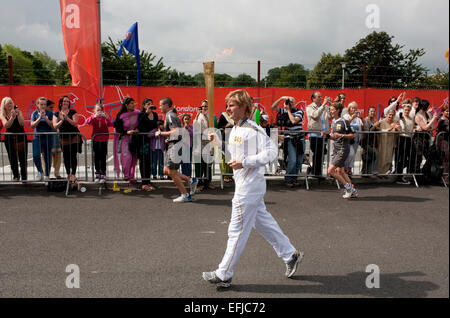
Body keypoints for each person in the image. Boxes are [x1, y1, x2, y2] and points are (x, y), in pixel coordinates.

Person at [202, 89, 303, 288]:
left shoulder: (253, 129)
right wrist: (219, 143)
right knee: (264, 223)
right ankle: (290, 254)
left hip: (249, 186)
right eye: (227, 105)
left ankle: (224, 273)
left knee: (236, 229)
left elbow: (272, 151)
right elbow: (235, 155)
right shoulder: (236, 129)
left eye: (231, 105)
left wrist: (247, 161)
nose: (227, 108)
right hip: (244, 184)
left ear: (244, 107)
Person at [159, 97, 198, 203]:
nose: (159, 107)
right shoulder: (171, 115)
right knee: (166, 171)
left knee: (172, 172)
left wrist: (161, 133)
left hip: (175, 147)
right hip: (173, 145)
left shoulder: (170, 115)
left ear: (167, 105)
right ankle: (190, 180)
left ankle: (185, 195)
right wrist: (168, 138)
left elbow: (175, 131)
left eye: (161, 105)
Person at [272, 96, 305, 187]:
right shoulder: (284, 111)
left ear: (294, 103)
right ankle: (288, 179)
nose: (290, 103)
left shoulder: (299, 111)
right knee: (293, 160)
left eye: (291, 102)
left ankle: (294, 179)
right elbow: (273, 107)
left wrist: (289, 111)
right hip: (290, 139)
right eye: (288, 102)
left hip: (300, 139)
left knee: (298, 161)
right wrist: (281, 98)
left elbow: (294, 121)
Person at [327, 103, 358, 199]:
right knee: (340, 171)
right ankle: (353, 191)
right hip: (336, 149)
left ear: (338, 110)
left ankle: (348, 188)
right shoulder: (333, 122)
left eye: (332, 110)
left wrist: (341, 135)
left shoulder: (344, 121)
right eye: (330, 110)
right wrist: (326, 135)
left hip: (343, 149)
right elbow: (334, 137)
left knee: (330, 170)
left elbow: (353, 135)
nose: (331, 111)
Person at [53, 95, 82, 183]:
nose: (66, 103)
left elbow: (75, 123)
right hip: (63, 138)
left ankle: (73, 174)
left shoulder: (73, 112)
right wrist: (61, 120)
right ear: (61, 103)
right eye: (64, 101)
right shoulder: (56, 114)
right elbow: (55, 126)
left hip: (73, 136)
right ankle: (68, 174)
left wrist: (67, 118)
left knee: (73, 155)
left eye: (67, 101)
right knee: (66, 157)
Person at [113, 97, 140, 182]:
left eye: (133, 103)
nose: (133, 105)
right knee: (126, 157)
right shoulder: (121, 116)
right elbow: (118, 128)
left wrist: (137, 130)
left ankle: (132, 176)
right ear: (126, 105)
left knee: (134, 158)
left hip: (135, 138)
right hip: (125, 138)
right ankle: (126, 175)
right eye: (131, 103)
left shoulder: (138, 113)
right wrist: (126, 132)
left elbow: (141, 124)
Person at [0, 97, 27, 182]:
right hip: (9, 138)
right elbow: (6, 125)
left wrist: (18, 115)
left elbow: (22, 123)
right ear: (4, 105)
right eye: (7, 103)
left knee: (22, 157)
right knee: (12, 158)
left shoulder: (18, 112)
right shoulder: (2, 114)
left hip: (20, 137)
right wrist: (12, 117)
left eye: (11, 103)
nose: (10, 105)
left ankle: (24, 177)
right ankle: (16, 175)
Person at [86, 103, 114, 183]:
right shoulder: (93, 117)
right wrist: (94, 116)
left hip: (104, 139)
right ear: (95, 111)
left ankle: (103, 173)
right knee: (96, 156)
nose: (99, 112)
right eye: (97, 110)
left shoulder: (104, 118)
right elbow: (87, 122)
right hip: (95, 139)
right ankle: (97, 172)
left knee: (103, 156)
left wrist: (107, 118)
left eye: (100, 110)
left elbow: (111, 124)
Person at [135, 98, 158, 191]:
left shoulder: (155, 114)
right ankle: (144, 183)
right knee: (143, 162)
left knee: (149, 162)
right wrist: (146, 113)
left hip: (152, 141)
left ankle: (148, 181)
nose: (150, 105)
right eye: (148, 104)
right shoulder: (141, 114)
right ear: (144, 106)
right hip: (142, 142)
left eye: (151, 104)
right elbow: (138, 125)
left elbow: (156, 125)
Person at [306, 91, 331, 176]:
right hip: (314, 134)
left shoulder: (325, 107)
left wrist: (331, 105)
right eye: (319, 97)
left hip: (324, 134)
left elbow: (331, 116)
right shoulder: (310, 107)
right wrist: (323, 105)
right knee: (317, 152)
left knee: (322, 153)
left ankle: (316, 171)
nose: (321, 98)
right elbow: (315, 115)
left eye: (321, 97)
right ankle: (315, 172)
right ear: (313, 98)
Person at [30, 96, 54, 183]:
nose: (43, 106)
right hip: (38, 137)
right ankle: (40, 171)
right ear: (38, 105)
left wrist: (46, 118)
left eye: (45, 104)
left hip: (48, 137)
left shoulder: (50, 113)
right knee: (36, 155)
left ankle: (47, 175)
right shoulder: (35, 113)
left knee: (47, 156)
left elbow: (52, 125)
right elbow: (32, 125)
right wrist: (40, 118)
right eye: (41, 104)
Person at [193, 100, 215, 191]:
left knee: (208, 163)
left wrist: (206, 117)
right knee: (199, 163)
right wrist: (197, 115)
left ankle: (207, 182)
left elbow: (211, 128)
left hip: (208, 140)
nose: (204, 108)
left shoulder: (211, 116)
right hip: (199, 141)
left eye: (206, 106)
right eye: (202, 106)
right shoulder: (198, 116)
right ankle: (199, 183)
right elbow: (195, 127)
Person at [412, 99, 438, 173]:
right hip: (418, 138)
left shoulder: (427, 114)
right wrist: (432, 119)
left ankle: (424, 172)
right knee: (418, 157)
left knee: (429, 157)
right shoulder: (417, 116)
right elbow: (425, 127)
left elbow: (431, 127)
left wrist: (429, 124)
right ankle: (416, 174)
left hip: (426, 138)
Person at [395, 103, 415, 184]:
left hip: (409, 139)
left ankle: (405, 175)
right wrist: (402, 121)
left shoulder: (411, 118)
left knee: (409, 158)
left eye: (408, 110)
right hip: (402, 138)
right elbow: (401, 129)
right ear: (403, 110)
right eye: (405, 110)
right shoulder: (400, 118)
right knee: (401, 158)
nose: (407, 111)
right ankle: (399, 177)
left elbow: (412, 128)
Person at [343, 102, 364, 176]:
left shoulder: (358, 118)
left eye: (355, 108)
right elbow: (344, 124)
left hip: (356, 139)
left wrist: (361, 118)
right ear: (349, 109)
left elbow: (363, 125)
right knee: (350, 154)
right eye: (352, 108)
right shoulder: (346, 116)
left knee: (353, 155)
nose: (354, 109)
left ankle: (349, 169)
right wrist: (351, 118)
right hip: (348, 139)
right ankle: (345, 168)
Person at [378, 109, 400, 174]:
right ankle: (381, 172)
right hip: (383, 142)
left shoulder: (395, 121)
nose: (391, 116)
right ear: (387, 115)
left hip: (391, 142)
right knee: (383, 158)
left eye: (392, 115)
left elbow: (399, 131)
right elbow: (382, 131)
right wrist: (391, 128)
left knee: (389, 158)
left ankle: (385, 172)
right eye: (389, 115)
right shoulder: (382, 122)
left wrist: (396, 128)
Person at [360, 106, 380, 175]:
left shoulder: (375, 120)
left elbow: (378, 130)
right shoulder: (366, 120)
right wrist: (374, 126)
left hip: (373, 142)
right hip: (366, 141)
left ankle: (366, 172)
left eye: (374, 111)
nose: (372, 113)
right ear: (368, 112)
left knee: (368, 157)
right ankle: (374, 171)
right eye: (371, 111)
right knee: (374, 154)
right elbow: (367, 131)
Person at [217, 109, 234, 183]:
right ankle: (224, 175)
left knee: (230, 157)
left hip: (232, 139)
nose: (229, 109)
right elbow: (219, 126)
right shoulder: (223, 116)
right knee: (224, 157)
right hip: (224, 138)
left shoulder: (233, 116)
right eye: (228, 107)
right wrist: (226, 126)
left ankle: (230, 175)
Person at [46, 100, 62, 179]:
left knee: (58, 156)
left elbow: (57, 125)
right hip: (47, 138)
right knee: (47, 157)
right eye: (50, 107)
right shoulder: (42, 115)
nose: (52, 109)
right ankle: (46, 174)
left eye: (53, 107)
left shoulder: (54, 114)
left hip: (55, 138)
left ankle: (57, 173)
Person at [436, 104, 449, 185]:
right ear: (443, 112)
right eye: (447, 111)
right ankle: (445, 178)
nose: (448, 112)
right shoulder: (442, 120)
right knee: (445, 159)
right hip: (443, 142)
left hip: (447, 141)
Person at [181, 113, 193, 178]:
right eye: (185, 119)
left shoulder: (191, 127)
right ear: (183, 120)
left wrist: (188, 128)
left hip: (189, 147)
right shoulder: (180, 127)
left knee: (188, 162)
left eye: (188, 119)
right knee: (183, 162)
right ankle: (184, 175)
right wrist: (184, 128)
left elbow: (193, 134)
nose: (187, 121)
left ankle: (189, 175)